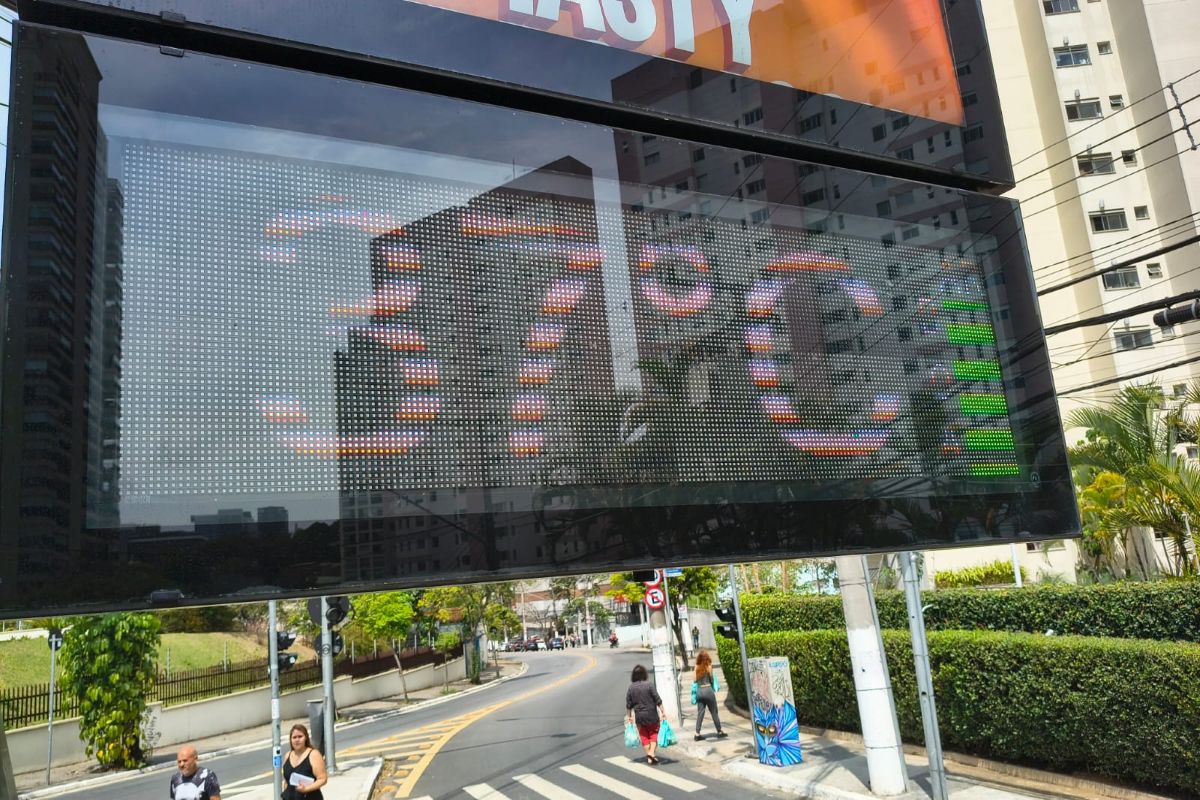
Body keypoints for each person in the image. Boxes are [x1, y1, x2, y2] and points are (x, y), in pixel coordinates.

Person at [625, 664, 666, 765]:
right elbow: (658, 700)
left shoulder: (631, 688)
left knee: (644, 736)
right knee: (654, 734)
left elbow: (628, 705)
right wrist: (663, 711)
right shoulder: (649, 685)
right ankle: (651, 753)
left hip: (639, 716)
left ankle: (650, 756)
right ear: (644, 674)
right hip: (652, 715)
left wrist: (629, 716)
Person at [282, 724, 328, 799]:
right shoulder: (288, 755)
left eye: (300, 736)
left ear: (306, 738)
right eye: (294, 737)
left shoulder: (314, 754)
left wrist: (306, 789)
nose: (297, 740)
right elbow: (287, 781)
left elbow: (322, 779)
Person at [692, 649, 726, 741]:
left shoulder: (696, 667)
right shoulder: (709, 667)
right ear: (707, 658)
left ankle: (697, 734)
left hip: (699, 691)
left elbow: (694, 680)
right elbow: (711, 679)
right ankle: (719, 731)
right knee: (714, 711)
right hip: (708, 690)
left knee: (700, 713)